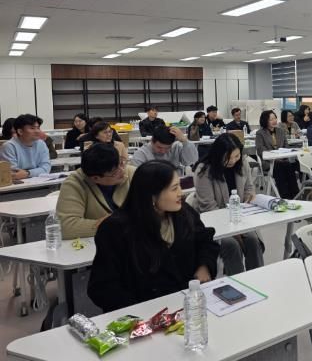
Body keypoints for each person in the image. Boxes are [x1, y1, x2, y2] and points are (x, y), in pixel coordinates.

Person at [88, 160, 218, 312]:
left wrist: (204, 266)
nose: (180, 193)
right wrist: (139, 312)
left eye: (179, 186)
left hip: (186, 304)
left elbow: (205, 241)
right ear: (152, 196)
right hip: (142, 313)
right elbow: (102, 287)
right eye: (174, 188)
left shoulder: (183, 213)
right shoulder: (115, 229)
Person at [191, 134, 264, 275]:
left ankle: (256, 278)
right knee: (231, 245)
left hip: (239, 218)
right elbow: (208, 207)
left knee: (253, 241)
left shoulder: (242, 162)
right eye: (228, 157)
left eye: (236, 156)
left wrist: (249, 198)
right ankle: (238, 282)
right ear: (218, 154)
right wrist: (235, 232)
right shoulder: (204, 170)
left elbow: (249, 187)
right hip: (213, 222)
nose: (233, 161)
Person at [56, 143, 135, 239]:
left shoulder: (133, 173)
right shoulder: (74, 184)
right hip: (97, 243)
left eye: (121, 163)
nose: (122, 171)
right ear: (95, 178)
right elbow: (66, 227)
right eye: (114, 173)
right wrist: (112, 224)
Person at [255, 110, 300, 199]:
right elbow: (260, 149)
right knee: (280, 168)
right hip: (269, 162)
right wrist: (275, 155)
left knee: (289, 166)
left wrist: (283, 153)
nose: (274, 121)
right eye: (271, 119)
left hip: (283, 159)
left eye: (275, 118)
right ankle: (285, 196)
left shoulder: (280, 131)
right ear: (265, 121)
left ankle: (295, 195)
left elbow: (286, 146)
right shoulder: (260, 133)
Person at [0, 114, 51, 180]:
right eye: (32, 128)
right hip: (18, 184)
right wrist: (37, 171)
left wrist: (28, 173)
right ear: (20, 131)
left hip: (40, 182)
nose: (37, 131)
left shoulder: (41, 144)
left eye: (38, 128)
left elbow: (46, 168)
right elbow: (14, 173)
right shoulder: (9, 146)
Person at [131, 125, 198, 175]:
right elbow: (138, 178)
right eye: (159, 147)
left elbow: (191, 161)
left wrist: (185, 141)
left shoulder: (175, 146)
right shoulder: (141, 154)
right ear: (152, 141)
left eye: (167, 148)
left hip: (176, 184)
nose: (163, 151)